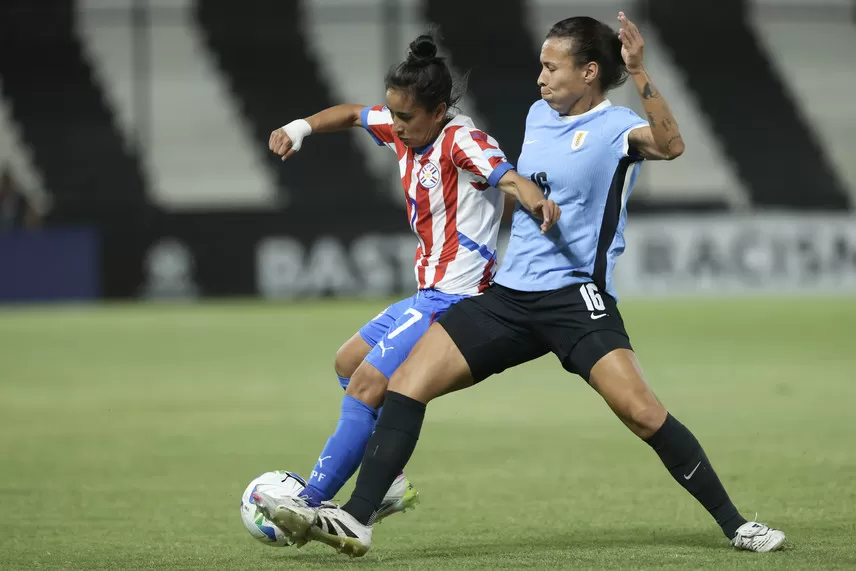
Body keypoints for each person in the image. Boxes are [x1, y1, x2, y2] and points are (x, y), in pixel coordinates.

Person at [258, 13, 787, 556]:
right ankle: (356, 517)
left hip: (575, 298)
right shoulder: (538, 115)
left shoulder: (616, 127)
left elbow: (671, 145)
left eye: (551, 66)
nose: (540, 76)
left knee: (642, 413)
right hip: (508, 298)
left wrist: (640, 72)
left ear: (588, 72)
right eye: (540, 65)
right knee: (402, 383)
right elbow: (507, 176)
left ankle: (737, 524)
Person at [261, 33, 560, 543]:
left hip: (458, 299)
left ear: (439, 110)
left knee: (365, 386)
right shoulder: (405, 129)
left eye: (406, 118)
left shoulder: (461, 140)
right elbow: (355, 114)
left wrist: (534, 201)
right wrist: (299, 128)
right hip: (428, 295)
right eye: (394, 116)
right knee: (347, 363)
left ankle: (309, 502)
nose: (395, 126)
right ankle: (389, 479)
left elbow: (506, 176)